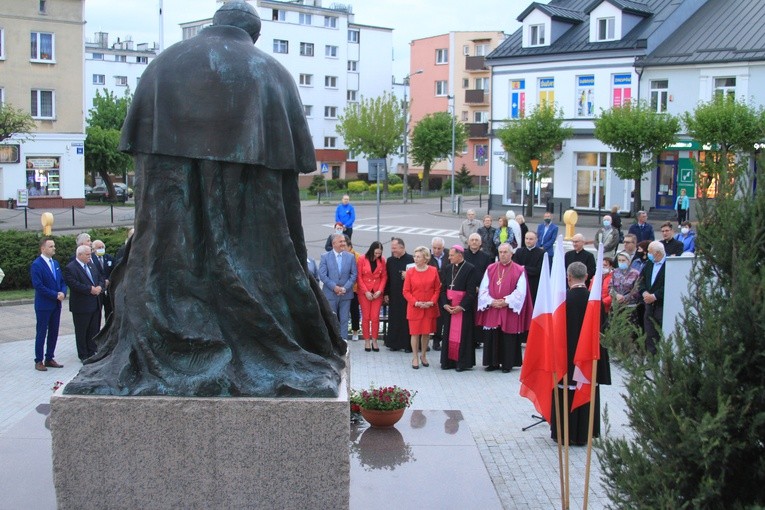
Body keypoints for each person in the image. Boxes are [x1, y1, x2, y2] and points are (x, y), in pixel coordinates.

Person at [66, 2, 347, 398]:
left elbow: (139, 146)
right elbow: (299, 161)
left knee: (169, 254)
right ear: (254, 33)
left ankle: (173, 334)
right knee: (249, 260)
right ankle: (249, 340)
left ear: (215, 24)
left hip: (168, 202)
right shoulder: (272, 72)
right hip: (249, 203)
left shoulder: (163, 64)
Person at [550, 262, 611, 446]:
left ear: (568, 277)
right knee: (586, 388)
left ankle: (564, 432)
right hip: (588, 358)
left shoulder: (562, 300)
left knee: (566, 392)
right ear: (586, 277)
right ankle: (586, 432)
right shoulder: (595, 301)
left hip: (567, 356)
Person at [476, 243, 533, 372]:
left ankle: (507, 364)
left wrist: (506, 301)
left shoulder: (519, 270)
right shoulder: (490, 268)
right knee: (492, 335)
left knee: (508, 336)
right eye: (500, 252)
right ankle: (492, 363)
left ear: (511, 254)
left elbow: (521, 291)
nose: (502, 254)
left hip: (508, 308)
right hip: (493, 307)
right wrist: (491, 301)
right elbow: (483, 288)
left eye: (505, 252)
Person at [30, 237, 67, 371]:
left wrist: (63, 292)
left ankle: (49, 357)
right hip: (44, 305)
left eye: (54, 246)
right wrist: (55, 295)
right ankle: (39, 360)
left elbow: (62, 281)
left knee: (54, 331)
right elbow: (38, 285)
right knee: (41, 332)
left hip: (56, 304)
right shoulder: (37, 265)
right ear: (43, 248)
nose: (54, 248)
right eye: (51, 246)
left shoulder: (55, 263)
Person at [440, 245, 477, 372]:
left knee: (463, 335)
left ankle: (461, 363)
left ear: (459, 255)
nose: (449, 257)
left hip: (462, 308)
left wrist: (461, 307)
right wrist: (445, 304)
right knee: (448, 334)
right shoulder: (448, 268)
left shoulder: (470, 269)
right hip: (449, 307)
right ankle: (448, 362)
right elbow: (443, 289)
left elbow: (471, 292)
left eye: (451, 255)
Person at [64, 245, 105, 362]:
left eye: (90, 254)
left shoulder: (91, 265)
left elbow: (100, 277)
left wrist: (100, 287)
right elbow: (74, 284)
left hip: (95, 304)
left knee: (93, 330)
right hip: (81, 306)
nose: (90, 257)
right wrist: (90, 289)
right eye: (87, 255)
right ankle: (83, 354)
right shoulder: (71, 268)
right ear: (80, 255)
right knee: (82, 331)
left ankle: (92, 351)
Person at [403, 247, 441, 369]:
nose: (415, 258)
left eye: (418, 256)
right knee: (414, 334)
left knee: (426, 333)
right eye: (415, 256)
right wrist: (416, 302)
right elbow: (406, 291)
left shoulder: (433, 270)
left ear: (425, 258)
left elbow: (437, 288)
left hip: (429, 307)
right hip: (415, 307)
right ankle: (415, 357)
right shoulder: (410, 272)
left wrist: (432, 301)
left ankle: (423, 355)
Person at [319, 234, 358, 342]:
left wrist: (345, 288)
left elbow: (354, 274)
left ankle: (343, 340)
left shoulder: (350, 257)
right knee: (332, 318)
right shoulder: (325, 257)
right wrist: (334, 287)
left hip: (346, 294)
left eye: (344, 241)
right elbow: (322, 275)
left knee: (345, 318)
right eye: (340, 241)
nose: (343, 243)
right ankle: (333, 340)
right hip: (330, 294)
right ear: (334, 243)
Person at [384, 238, 415, 351]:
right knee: (394, 319)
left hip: (407, 296)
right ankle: (394, 344)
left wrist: (409, 275)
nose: (393, 250)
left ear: (402, 247)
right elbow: (388, 279)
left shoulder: (411, 259)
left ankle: (407, 344)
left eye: (395, 248)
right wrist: (386, 293)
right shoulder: (390, 260)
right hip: (394, 294)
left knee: (406, 320)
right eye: (392, 248)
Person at [357, 241, 387, 352]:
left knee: (375, 317)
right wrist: (366, 291)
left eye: (379, 253)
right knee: (366, 317)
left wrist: (380, 290)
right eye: (376, 253)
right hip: (365, 292)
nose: (377, 255)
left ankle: (374, 340)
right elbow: (359, 277)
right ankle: (367, 340)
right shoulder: (362, 259)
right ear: (371, 250)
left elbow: (384, 276)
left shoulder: (382, 260)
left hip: (377, 293)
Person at [464, 233, 493, 349]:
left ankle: (477, 339)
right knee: (467, 315)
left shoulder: (486, 257)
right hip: (466, 290)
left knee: (478, 315)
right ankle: (467, 338)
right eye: (472, 240)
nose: (474, 242)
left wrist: (480, 287)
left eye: (477, 240)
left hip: (481, 291)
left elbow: (488, 274)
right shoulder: (463, 255)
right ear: (468, 242)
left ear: (480, 243)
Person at [638, 241, 666, 355]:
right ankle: (651, 358)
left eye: (650, 252)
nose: (647, 254)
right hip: (648, 303)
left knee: (660, 332)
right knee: (649, 332)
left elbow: (669, 284)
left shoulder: (669, 264)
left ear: (658, 253)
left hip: (661, 304)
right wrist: (644, 292)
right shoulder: (649, 264)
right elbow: (641, 280)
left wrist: (655, 296)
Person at [428, 237, 449, 350]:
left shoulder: (449, 254)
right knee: (433, 317)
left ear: (443, 248)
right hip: (431, 291)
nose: (436, 250)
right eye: (434, 248)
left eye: (439, 248)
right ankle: (431, 340)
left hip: (445, 290)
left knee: (443, 316)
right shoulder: (428, 256)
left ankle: (440, 340)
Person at [512, 231, 545, 304]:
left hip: (534, 284)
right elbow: (515, 268)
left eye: (531, 239)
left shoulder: (541, 253)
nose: (528, 241)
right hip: (520, 283)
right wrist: (526, 269)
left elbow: (538, 270)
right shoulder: (519, 251)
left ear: (536, 240)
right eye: (526, 238)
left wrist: (523, 268)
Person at [91, 239, 115, 320]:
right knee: (97, 313)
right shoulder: (91, 259)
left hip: (108, 289)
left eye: (102, 247)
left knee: (110, 311)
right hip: (98, 289)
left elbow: (114, 270)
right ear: (93, 249)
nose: (101, 249)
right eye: (99, 247)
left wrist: (109, 279)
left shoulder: (109, 258)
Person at [345, 236, 362, 341]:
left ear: (350, 246)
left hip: (354, 288)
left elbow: (358, 274)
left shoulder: (357, 257)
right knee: (342, 311)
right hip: (343, 289)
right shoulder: (342, 255)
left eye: (344, 246)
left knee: (354, 311)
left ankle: (355, 331)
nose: (342, 248)